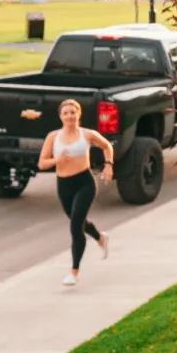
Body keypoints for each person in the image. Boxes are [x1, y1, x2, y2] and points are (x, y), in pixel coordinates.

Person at [38, 98, 112, 287]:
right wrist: (57, 160)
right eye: (65, 113)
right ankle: (101, 238)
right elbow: (42, 163)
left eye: (73, 112)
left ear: (78, 114)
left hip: (84, 183)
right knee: (79, 222)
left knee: (75, 227)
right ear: (60, 116)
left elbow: (107, 146)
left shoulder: (87, 134)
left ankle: (74, 271)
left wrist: (108, 166)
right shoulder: (53, 137)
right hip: (64, 185)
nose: (69, 116)